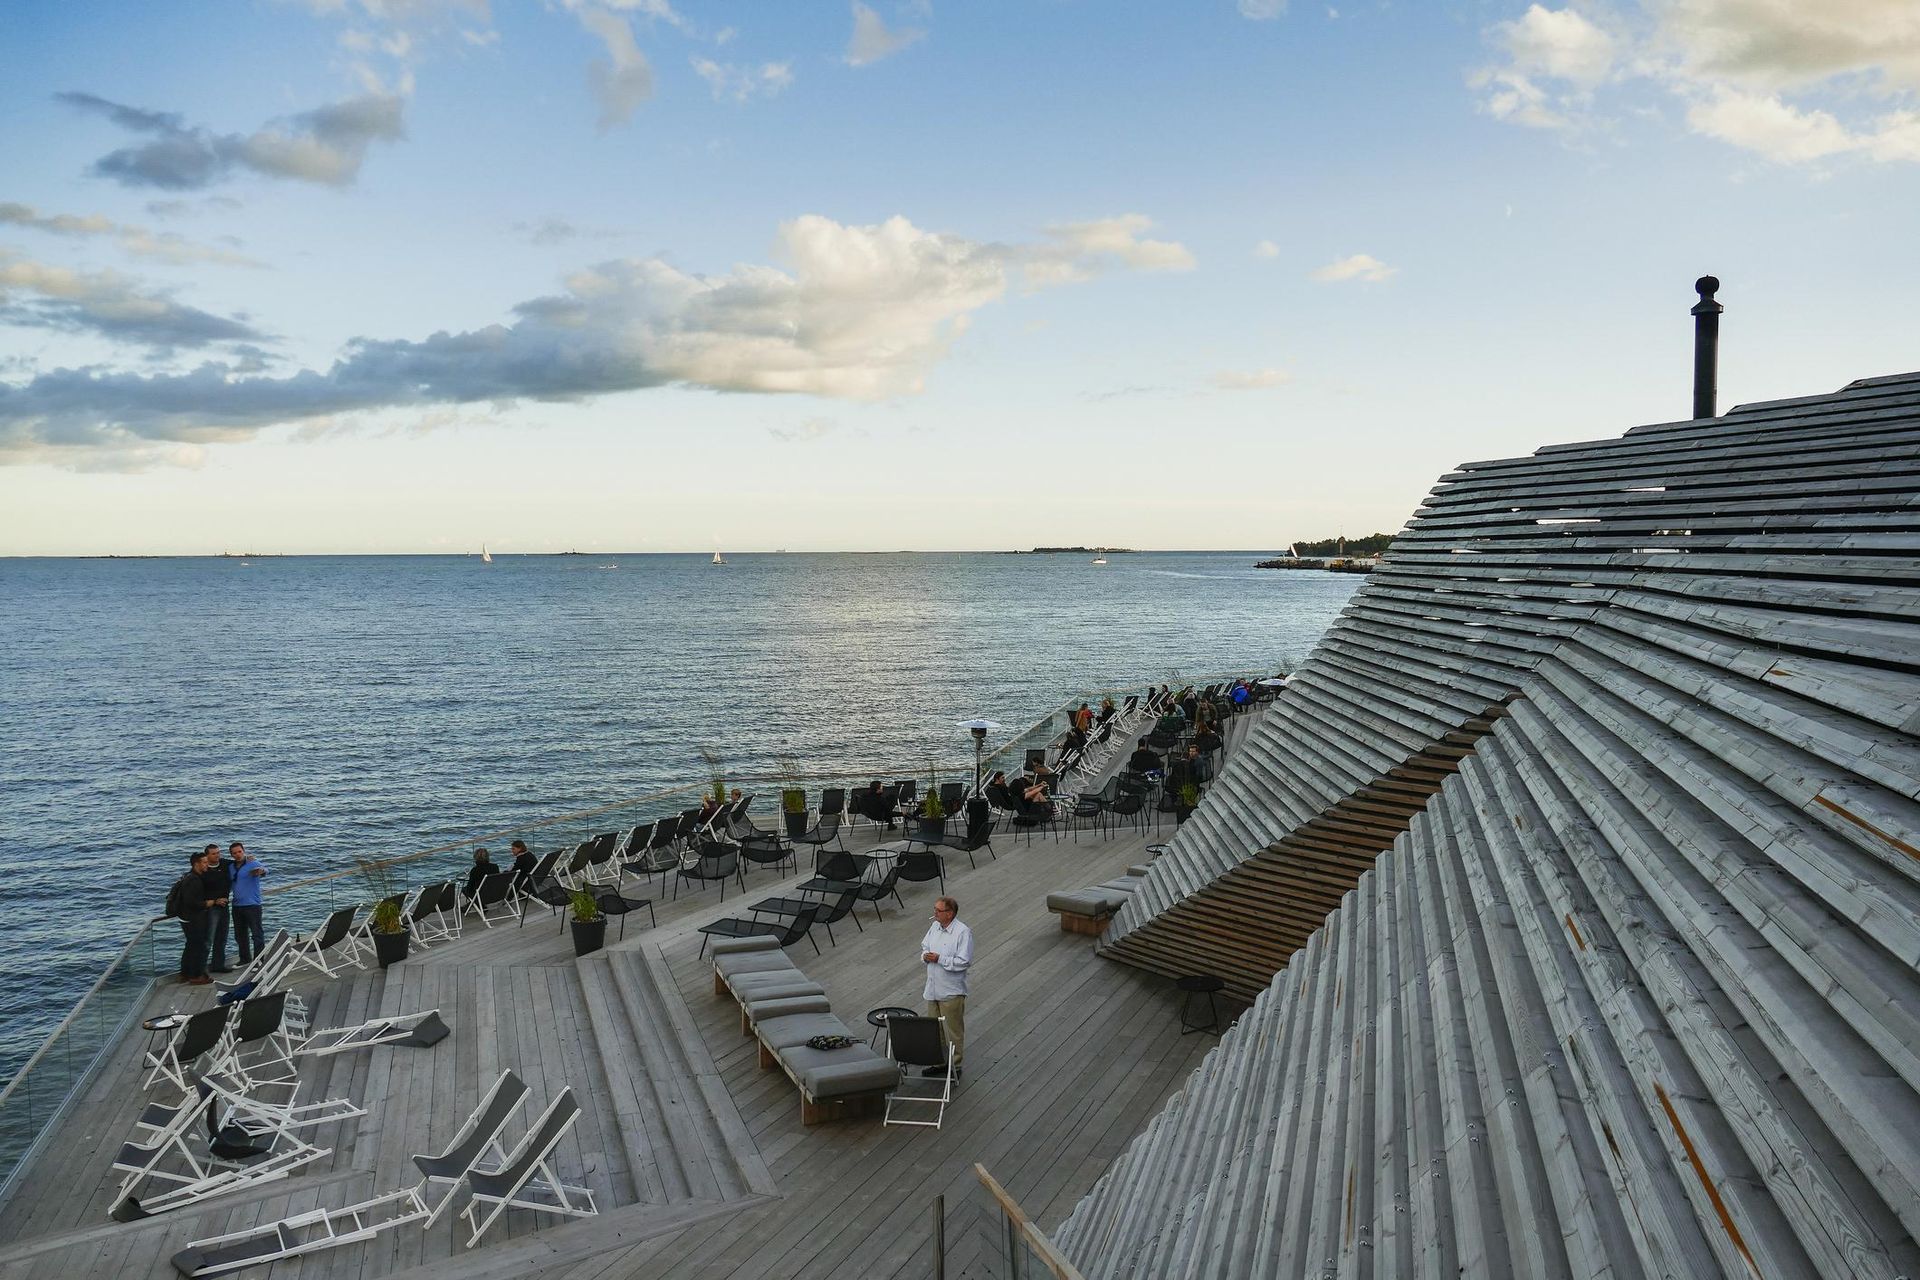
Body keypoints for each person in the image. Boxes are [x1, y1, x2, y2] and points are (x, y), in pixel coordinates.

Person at [919, 895, 973, 1080]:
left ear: (949, 914)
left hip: (951, 991)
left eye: (938, 911)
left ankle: (955, 1065)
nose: (934, 913)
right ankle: (940, 1063)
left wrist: (939, 959)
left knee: (953, 1031)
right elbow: (925, 945)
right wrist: (925, 955)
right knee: (935, 1029)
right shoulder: (935, 926)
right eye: (935, 909)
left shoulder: (962, 932)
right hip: (933, 988)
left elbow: (964, 962)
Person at [170, 849, 212, 985]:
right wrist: (207, 903)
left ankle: (185, 973)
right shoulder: (194, 880)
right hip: (193, 919)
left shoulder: (187, 876)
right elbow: (191, 902)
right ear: (196, 864)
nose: (207, 865)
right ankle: (196, 975)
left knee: (190, 946)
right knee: (197, 946)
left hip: (185, 917)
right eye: (204, 862)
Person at [228, 841, 267, 965]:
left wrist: (260, 871)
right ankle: (245, 959)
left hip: (252, 905)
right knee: (240, 935)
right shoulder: (230, 867)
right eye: (234, 853)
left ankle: (259, 961)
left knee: (257, 934)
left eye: (239, 851)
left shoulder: (252, 862)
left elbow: (265, 870)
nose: (238, 854)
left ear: (243, 851)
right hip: (237, 905)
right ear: (231, 855)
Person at [200, 842, 233, 973]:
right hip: (211, 908)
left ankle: (218, 965)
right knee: (208, 939)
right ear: (207, 856)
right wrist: (214, 901)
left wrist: (250, 859)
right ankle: (201, 969)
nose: (217, 856)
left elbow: (239, 861)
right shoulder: (204, 871)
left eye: (218, 853)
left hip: (224, 906)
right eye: (213, 854)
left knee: (222, 937)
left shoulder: (225, 864)